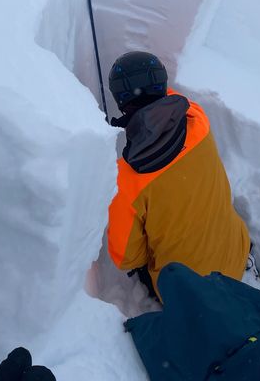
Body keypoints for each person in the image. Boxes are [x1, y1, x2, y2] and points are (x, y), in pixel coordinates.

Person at [107, 51, 250, 299]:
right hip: (238, 254)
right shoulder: (198, 120)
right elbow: (173, 100)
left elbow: (127, 258)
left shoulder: (127, 181)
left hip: (190, 294)